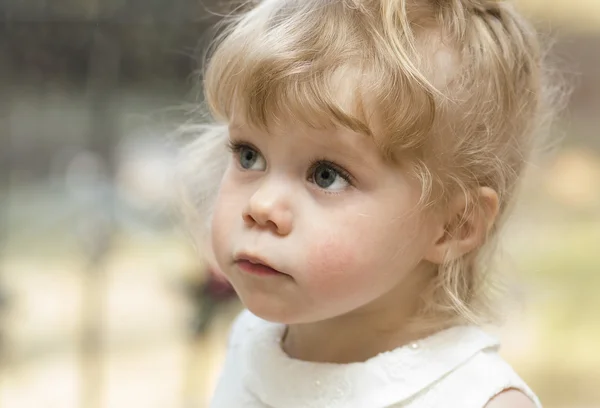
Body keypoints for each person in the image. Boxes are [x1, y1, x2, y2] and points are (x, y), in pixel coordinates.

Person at [178, 0, 561, 406]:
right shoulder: (253, 340)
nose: (262, 204)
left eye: (326, 175)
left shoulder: (476, 400)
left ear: (454, 225)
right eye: (249, 155)